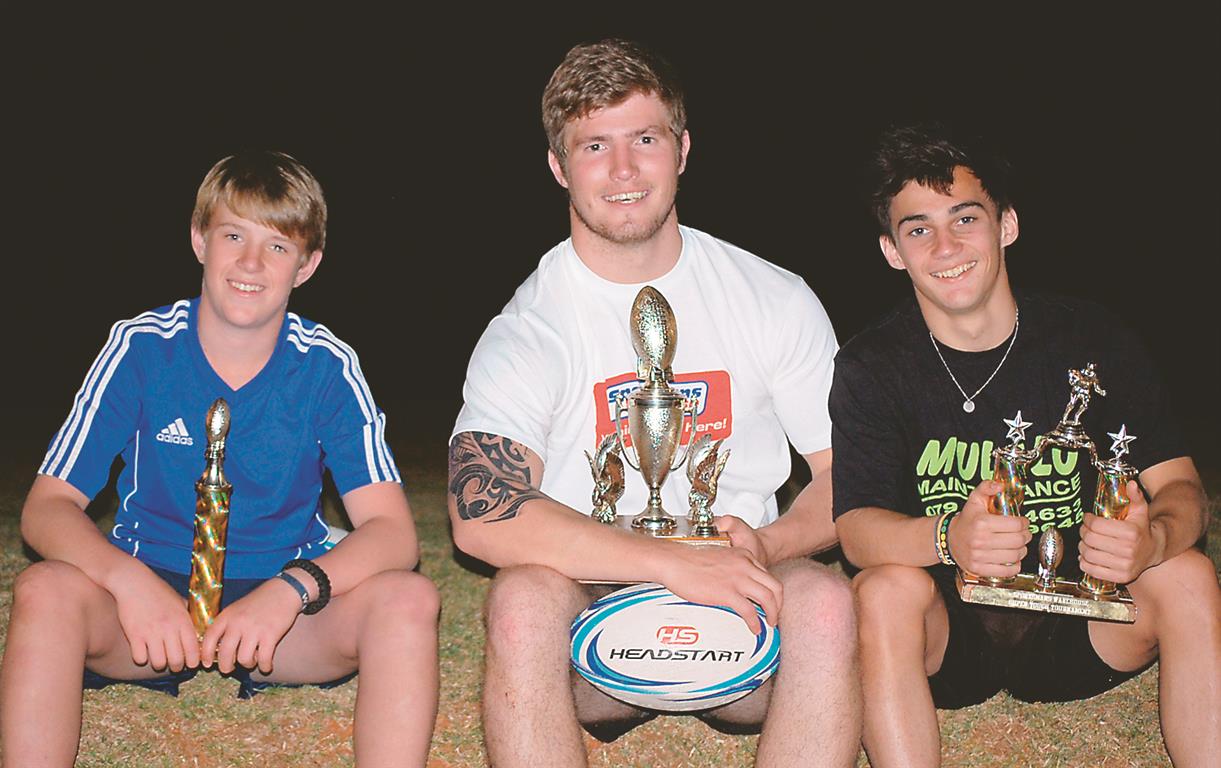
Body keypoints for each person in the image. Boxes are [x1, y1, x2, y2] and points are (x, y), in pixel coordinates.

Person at [448, 39, 860, 768]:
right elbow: (480, 511)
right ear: (558, 167)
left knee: (826, 604)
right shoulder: (530, 328)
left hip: (743, 587)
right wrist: (667, 564)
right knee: (520, 605)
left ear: (682, 148)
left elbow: (849, 475)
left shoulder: (772, 297)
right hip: (590, 605)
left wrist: (765, 546)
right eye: (593, 146)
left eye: (644, 139)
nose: (623, 169)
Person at [0, 151, 439, 767]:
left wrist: (292, 590)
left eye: (278, 246)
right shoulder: (141, 348)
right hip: (148, 602)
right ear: (199, 239)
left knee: (409, 600)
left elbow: (393, 533)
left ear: (307, 265)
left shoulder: (327, 365)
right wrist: (128, 583)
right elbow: (47, 508)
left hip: (281, 614)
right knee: (44, 589)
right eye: (233, 236)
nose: (251, 263)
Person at [831, 123, 1220, 767]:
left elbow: (1182, 486)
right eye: (918, 229)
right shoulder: (871, 365)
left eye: (965, 219)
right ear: (892, 251)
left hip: (1087, 615)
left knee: (1188, 573)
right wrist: (948, 538)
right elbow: (856, 531)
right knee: (881, 591)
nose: (946, 246)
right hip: (946, 627)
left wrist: (1152, 539)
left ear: (1006, 225)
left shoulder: (1094, 338)